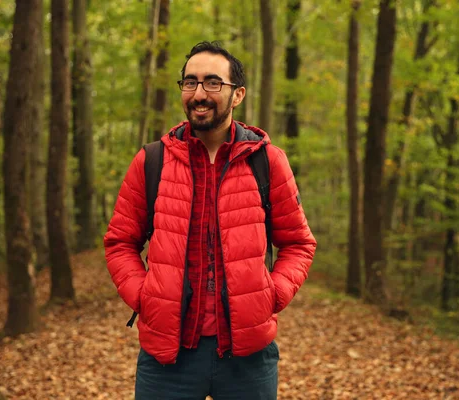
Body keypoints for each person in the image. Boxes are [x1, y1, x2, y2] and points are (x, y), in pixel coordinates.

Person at [104, 41, 316, 400]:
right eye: (190, 82)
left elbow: (298, 243)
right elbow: (120, 242)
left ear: (237, 95)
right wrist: (144, 296)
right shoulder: (151, 161)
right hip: (167, 361)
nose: (199, 93)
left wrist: (272, 294)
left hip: (248, 359)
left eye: (213, 83)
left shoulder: (267, 161)